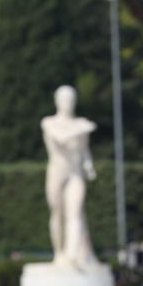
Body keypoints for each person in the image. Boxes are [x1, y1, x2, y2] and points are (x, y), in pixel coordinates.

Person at [41, 85, 97, 269]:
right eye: (64, 99)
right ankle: (59, 254)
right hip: (57, 172)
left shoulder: (80, 124)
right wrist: (82, 128)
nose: (68, 103)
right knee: (57, 214)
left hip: (75, 173)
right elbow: (61, 138)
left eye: (71, 99)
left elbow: (84, 150)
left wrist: (88, 166)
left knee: (75, 213)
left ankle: (72, 255)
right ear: (57, 101)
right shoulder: (49, 122)